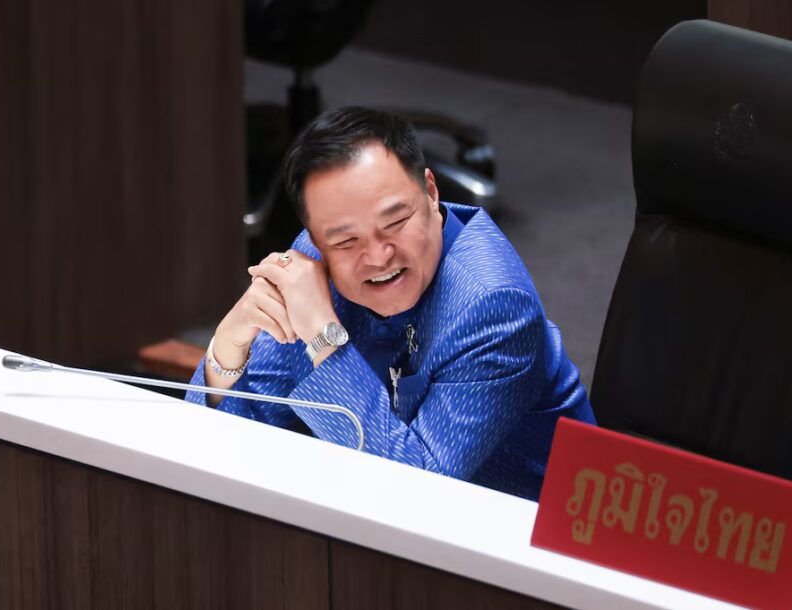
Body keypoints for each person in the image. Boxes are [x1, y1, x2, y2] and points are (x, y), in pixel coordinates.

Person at [186, 106, 595, 500]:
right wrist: (228, 345)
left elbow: (414, 490)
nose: (379, 257)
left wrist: (324, 337)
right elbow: (216, 441)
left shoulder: (494, 308)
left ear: (431, 192)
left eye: (395, 222)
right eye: (346, 240)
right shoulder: (313, 265)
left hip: (516, 530)